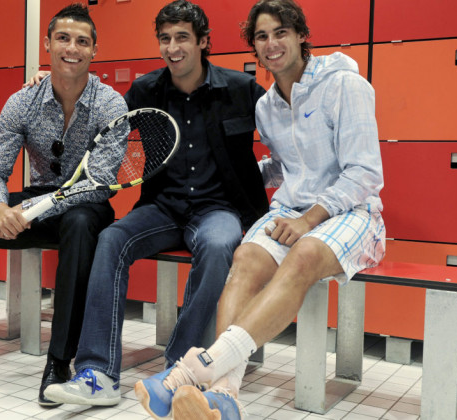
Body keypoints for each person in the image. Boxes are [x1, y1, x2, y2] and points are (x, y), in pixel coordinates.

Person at [133, 0, 386, 418]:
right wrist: (234, 170)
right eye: (262, 36)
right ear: (253, 46)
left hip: (352, 212)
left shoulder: (344, 85)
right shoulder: (267, 105)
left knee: (303, 254)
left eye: (281, 32)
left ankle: (194, 369)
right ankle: (225, 395)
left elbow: (363, 173)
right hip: (293, 210)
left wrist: (309, 219)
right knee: (245, 257)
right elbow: (285, 166)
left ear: (302, 35)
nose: (271, 44)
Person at [39, 0, 269, 408]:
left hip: (220, 208)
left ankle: (179, 369)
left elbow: (286, 130)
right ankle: (98, 374)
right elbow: (97, 119)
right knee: (111, 239)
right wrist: (48, 89)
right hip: (163, 207)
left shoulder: (241, 89)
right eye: (165, 39)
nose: (172, 47)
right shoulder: (145, 90)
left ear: (203, 42)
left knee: (218, 247)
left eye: (182, 37)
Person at [0, 4, 128, 409]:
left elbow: (97, 185)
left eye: (82, 41)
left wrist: (29, 213)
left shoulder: (110, 105)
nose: (72, 48)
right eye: (63, 38)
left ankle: (60, 361)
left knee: (81, 225)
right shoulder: (22, 100)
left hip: (84, 205)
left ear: (95, 50)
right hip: (37, 199)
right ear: (47, 44)